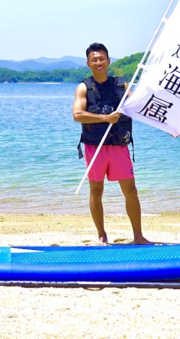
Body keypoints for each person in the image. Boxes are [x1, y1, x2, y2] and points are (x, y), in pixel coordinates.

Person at [72, 42, 151, 245]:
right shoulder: (84, 87)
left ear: (108, 60)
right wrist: (105, 118)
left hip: (118, 146)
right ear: (88, 63)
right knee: (96, 190)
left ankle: (138, 236)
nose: (98, 62)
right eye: (94, 59)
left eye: (102, 59)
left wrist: (169, 126)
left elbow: (142, 107)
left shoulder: (122, 86)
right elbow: (77, 114)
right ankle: (102, 235)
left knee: (131, 191)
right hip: (95, 147)